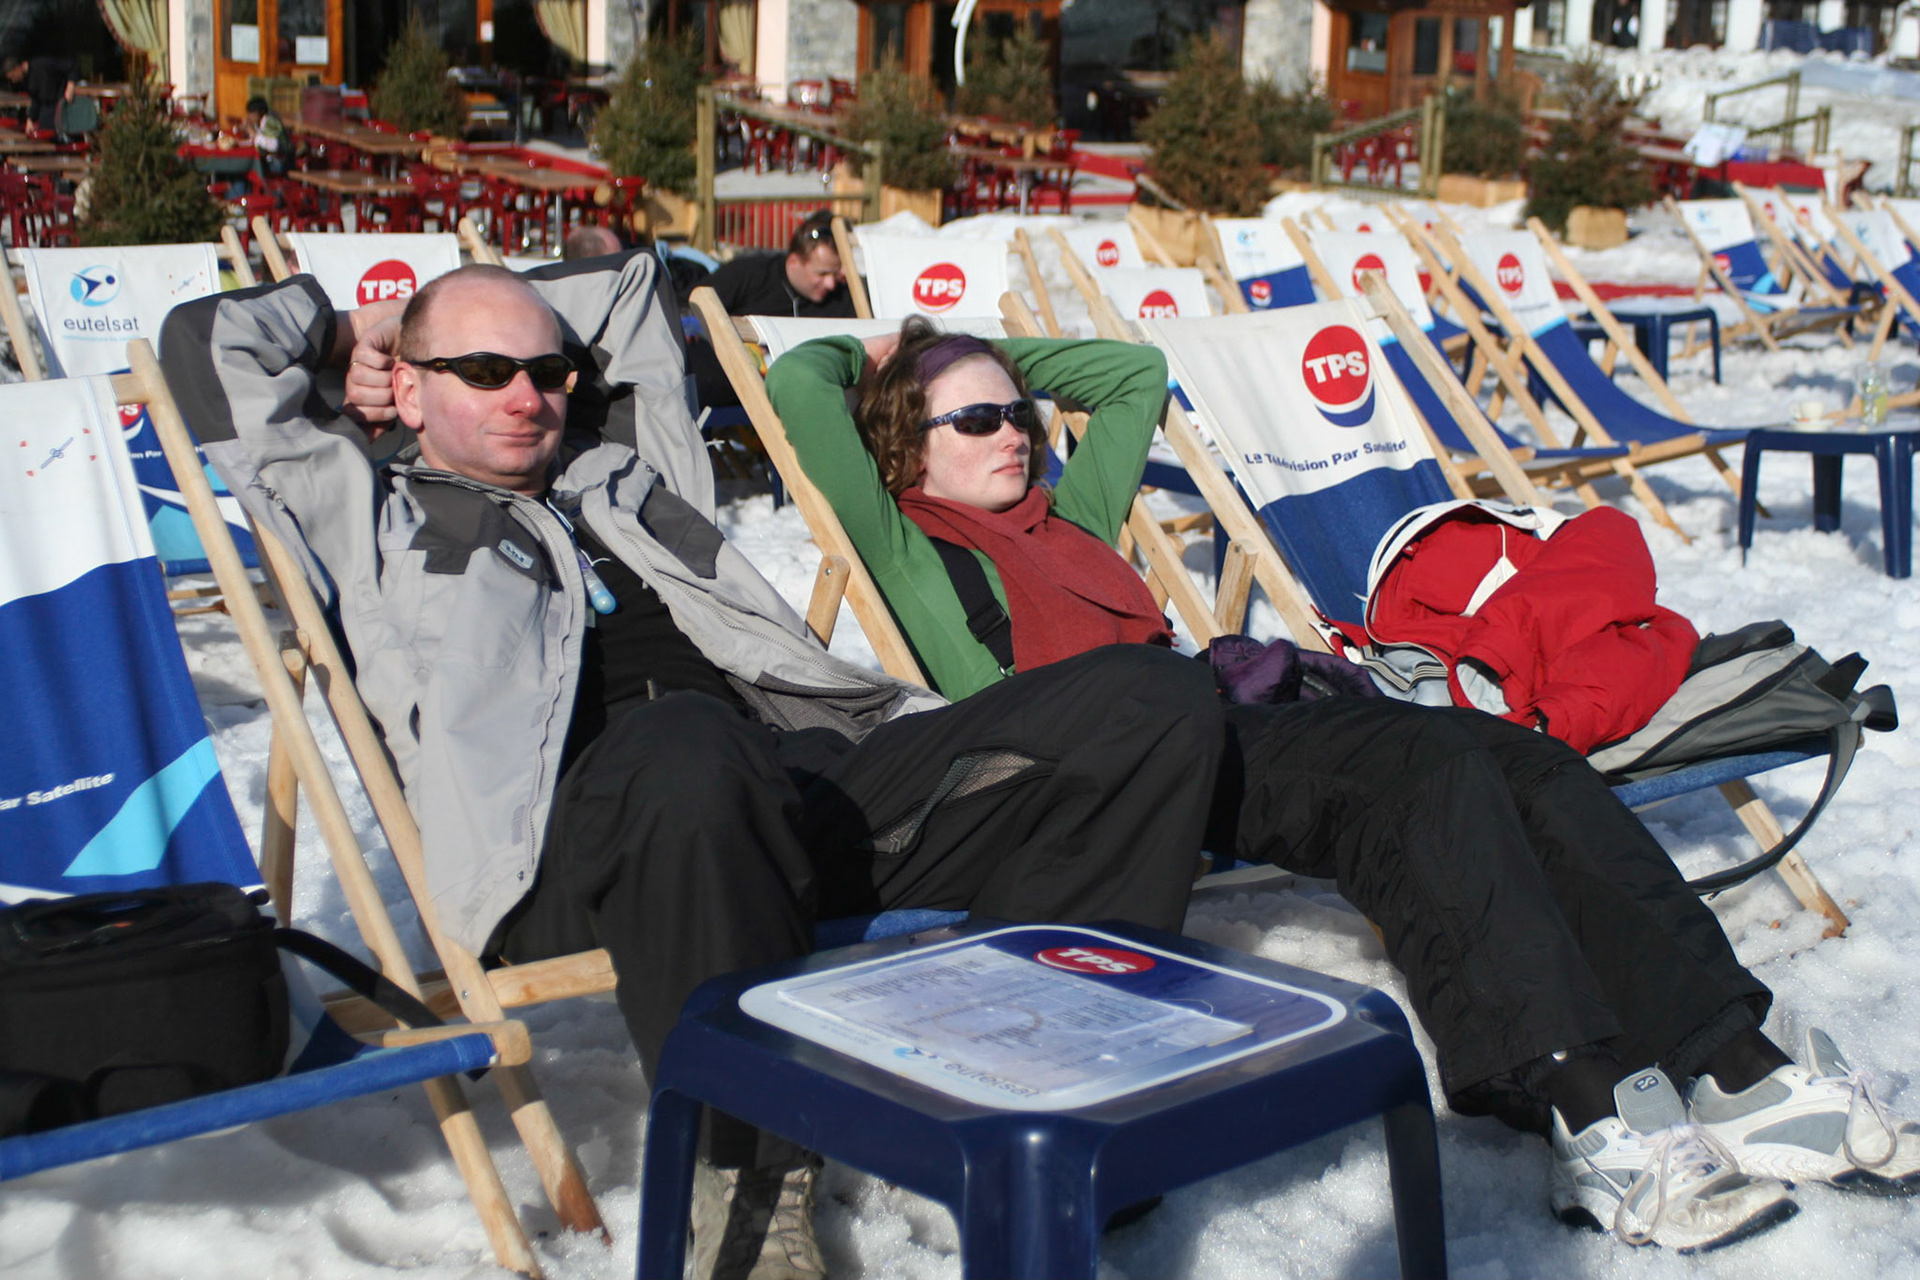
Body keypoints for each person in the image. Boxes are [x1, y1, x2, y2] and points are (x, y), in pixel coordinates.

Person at [157, 258, 1225, 1280]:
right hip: (572, 845)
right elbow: (203, 343)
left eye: (546, 369)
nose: (525, 396)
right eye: (482, 371)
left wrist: (484, 328)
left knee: (1149, 699)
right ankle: (749, 1180)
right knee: (687, 746)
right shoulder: (363, 505)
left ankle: (1059, 1089)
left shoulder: (623, 470)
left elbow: (633, 288)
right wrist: (361, 325)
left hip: (791, 787)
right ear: (409, 389)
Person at [765, 319, 1920, 1252]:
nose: (1014, 432)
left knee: (1519, 755)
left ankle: (1729, 1056)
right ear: (908, 447)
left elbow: (1134, 375)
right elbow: (796, 383)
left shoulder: (1070, 515)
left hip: (1217, 724)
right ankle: (1578, 1092)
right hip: (1111, 772)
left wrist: (984, 355)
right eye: (976, 419)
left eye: (1019, 411)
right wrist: (887, 350)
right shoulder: (906, 537)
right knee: (1422, 772)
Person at [4, 54, 72, 133]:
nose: (13, 80)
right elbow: (35, 98)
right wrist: (30, 118)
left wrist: (71, 84)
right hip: (45, 110)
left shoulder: (42, 64)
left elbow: (70, 66)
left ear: (17, 68)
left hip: (59, 104)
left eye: (13, 76)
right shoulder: (27, 79)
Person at [244, 95, 289, 178]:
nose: (249, 117)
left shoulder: (270, 122)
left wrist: (254, 134)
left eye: (252, 114)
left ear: (260, 112)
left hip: (277, 162)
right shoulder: (259, 123)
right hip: (268, 160)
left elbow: (274, 146)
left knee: (248, 168)